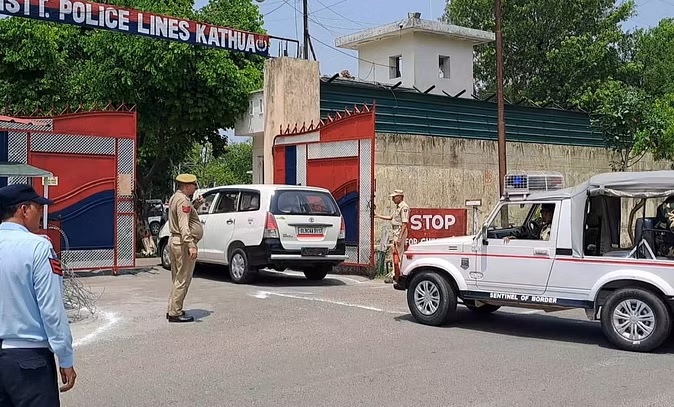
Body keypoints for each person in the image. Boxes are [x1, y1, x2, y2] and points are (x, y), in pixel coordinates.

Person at [0, 183, 77, 406]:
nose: (42, 213)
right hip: (29, 360)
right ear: (23, 210)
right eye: (37, 207)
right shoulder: (38, 247)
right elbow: (52, 310)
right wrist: (65, 357)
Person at [166, 174, 204, 323]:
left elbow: (183, 215)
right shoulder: (183, 200)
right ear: (187, 186)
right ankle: (175, 313)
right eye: (194, 185)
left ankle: (172, 309)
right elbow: (183, 225)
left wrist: (195, 205)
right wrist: (190, 244)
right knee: (183, 279)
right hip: (182, 243)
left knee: (177, 279)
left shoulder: (176, 197)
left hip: (175, 241)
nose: (196, 187)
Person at [374, 189, 410, 283]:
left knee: (399, 254)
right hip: (396, 231)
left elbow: (404, 223)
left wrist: (400, 236)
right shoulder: (398, 207)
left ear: (400, 197)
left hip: (399, 231)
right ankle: (395, 273)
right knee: (395, 253)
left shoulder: (404, 207)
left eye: (395, 197)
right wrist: (378, 216)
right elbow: (391, 218)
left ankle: (398, 274)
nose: (393, 199)